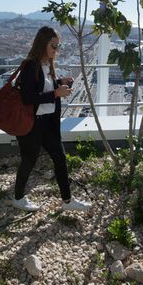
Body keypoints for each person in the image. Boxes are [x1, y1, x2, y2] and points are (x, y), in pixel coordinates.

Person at [12, 26, 92, 212]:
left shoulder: (47, 64)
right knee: (28, 161)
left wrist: (59, 83)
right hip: (32, 124)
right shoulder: (30, 66)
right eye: (53, 46)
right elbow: (28, 97)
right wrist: (56, 93)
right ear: (43, 44)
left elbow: (43, 88)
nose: (57, 50)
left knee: (60, 158)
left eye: (58, 46)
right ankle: (18, 197)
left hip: (47, 122)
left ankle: (67, 201)